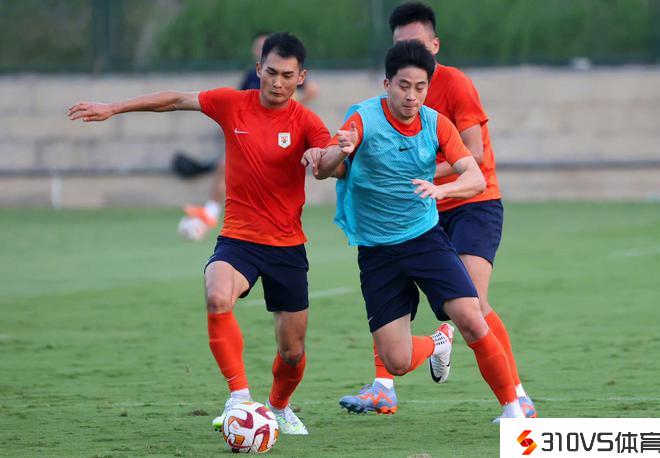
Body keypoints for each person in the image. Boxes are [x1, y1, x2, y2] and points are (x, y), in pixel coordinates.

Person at [68, 32, 330, 435]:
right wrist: (114, 107)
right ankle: (239, 399)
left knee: (292, 353)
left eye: (287, 76)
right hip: (239, 239)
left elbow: (331, 163)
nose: (277, 82)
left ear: (301, 77)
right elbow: (174, 100)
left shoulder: (307, 122)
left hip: (287, 246)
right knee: (217, 295)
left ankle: (278, 407)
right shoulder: (231, 103)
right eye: (271, 72)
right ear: (258, 69)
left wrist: (325, 156)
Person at [303, 40, 525, 421]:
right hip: (377, 252)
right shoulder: (363, 118)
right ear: (387, 84)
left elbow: (475, 176)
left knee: (471, 317)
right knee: (397, 361)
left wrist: (444, 190)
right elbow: (322, 170)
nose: (411, 96)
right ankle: (438, 342)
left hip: (425, 239)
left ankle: (513, 410)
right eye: (404, 86)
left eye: (420, 87)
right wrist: (343, 149)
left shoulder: (436, 123)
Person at [178, 31, 320, 241]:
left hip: (278, 133)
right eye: (257, 46)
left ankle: (215, 212)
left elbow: (313, 90)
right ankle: (211, 212)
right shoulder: (251, 76)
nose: (278, 82)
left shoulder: (287, 74)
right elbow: (238, 101)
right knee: (224, 165)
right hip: (250, 133)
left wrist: (289, 106)